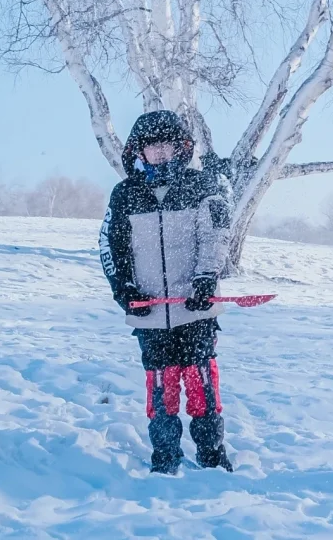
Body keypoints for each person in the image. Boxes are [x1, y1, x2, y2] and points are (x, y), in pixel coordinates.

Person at [99, 110, 234, 475]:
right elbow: (111, 247)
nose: (159, 152)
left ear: (181, 147)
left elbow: (216, 236)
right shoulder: (125, 194)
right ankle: (165, 456)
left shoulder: (200, 185)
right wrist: (123, 290)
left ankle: (211, 455)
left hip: (196, 310)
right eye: (151, 146)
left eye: (166, 144)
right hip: (151, 314)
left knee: (200, 382)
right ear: (139, 152)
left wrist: (205, 280)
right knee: (162, 388)